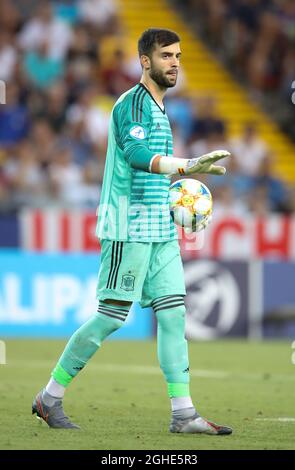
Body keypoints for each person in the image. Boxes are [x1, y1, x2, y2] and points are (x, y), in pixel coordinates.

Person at [32, 28, 232, 435]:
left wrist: (182, 200)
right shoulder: (132, 105)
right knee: (111, 317)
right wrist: (186, 165)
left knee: (175, 315)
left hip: (160, 228)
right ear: (145, 61)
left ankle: (184, 413)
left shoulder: (160, 110)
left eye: (178, 55)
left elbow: (155, 170)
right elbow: (138, 156)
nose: (174, 62)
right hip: (128, 226)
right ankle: (49, 397)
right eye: (165, 56)